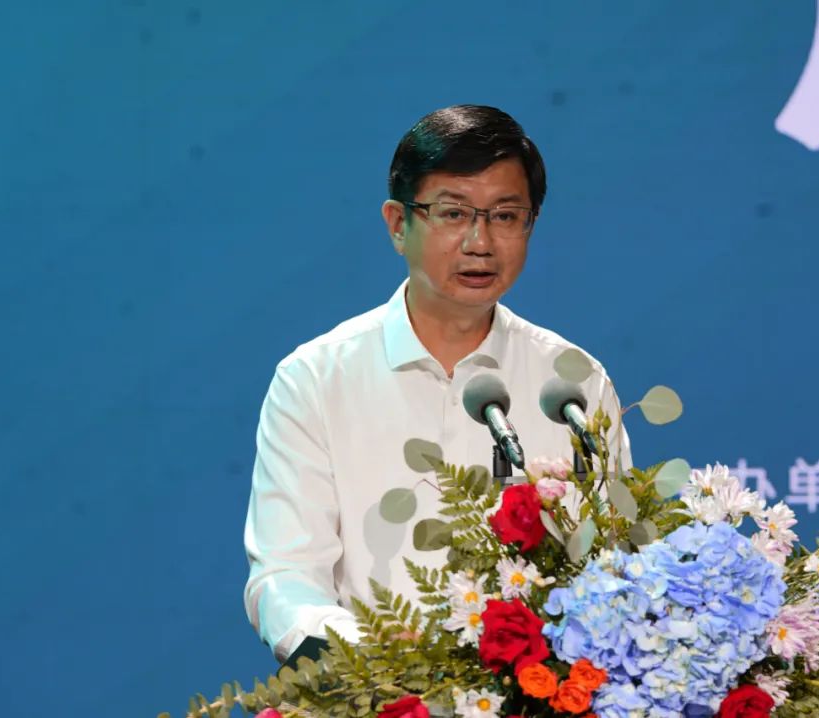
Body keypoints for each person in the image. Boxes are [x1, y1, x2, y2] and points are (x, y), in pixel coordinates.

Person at [243, 105, 631, 664]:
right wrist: (380, 662)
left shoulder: (573, 383)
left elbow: (612, 565)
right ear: (398, 225)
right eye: (452, 213)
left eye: (505, 216)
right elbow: (285, 577)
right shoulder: (316, 379)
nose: (480, 242)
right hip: (377, 689)